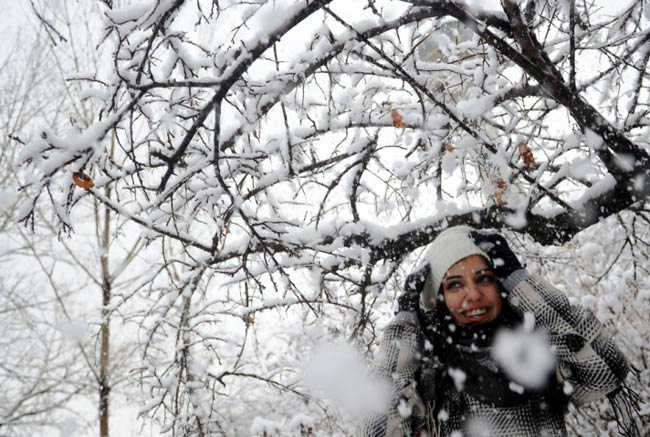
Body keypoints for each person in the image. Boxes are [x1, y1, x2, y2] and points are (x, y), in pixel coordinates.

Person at [361, 225, 639, 437]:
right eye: (455, 285)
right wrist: (404, 328)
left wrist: (520, 281)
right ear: (440, 299)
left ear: (501, 286)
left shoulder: (540, 351)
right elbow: (375, 429)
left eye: (484, 279)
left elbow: (608, 370)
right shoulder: (427, 372)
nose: (473, 295)